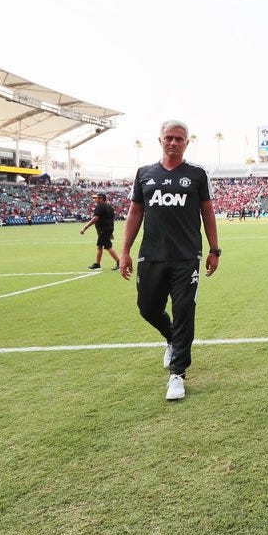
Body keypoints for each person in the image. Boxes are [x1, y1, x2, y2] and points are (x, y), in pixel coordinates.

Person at [120, 120, 221, 401]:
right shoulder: (144, 174)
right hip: (151, 254)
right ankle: (172, 339)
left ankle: (177, 373)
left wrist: (214, 249)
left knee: (184, 310)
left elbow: (208, 213)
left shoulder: (197, 175)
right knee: (148, 308)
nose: (174, 142)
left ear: (187, 142)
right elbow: (134, 214)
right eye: (169, 138)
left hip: (186, 256)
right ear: (160, 140)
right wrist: (125, 251)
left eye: (179, 138)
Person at [80, 193, 120, 270]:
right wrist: (111, 232)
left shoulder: (100, 207)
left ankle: (119, 262)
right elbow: (110, 220)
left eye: (97, 198)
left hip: (103, 230)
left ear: (101, 198)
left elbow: (95, 218)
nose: (95, 200)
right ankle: (97, 264)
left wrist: (85, 227)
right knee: (99, 246)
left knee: (108, 247)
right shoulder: (110, 207)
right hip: (107, 229)